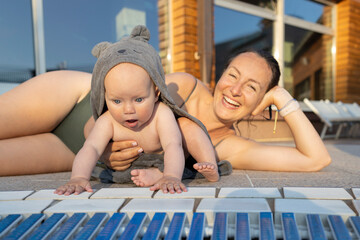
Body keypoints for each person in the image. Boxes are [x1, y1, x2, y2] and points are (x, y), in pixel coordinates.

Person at [0, 48, 331, 177]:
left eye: (253, 87)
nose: (235, 89)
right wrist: (106, 148)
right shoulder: (182, 86)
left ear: (261, 102)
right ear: (220, 76)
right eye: (233, 75)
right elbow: (107, 115)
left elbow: (315, 160)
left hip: (74, 151)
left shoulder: (225, 146)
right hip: (74, 98)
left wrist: (284, 99)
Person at [54, 25, 218, 195]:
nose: (128, 109)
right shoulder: (108, 120)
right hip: (130, 167)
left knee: (189, 127)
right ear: (105, 98)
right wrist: (78, 177)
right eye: (117, 101)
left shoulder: (160, 113)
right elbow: (91, 148)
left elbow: (172, 145)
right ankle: (155, 175)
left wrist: (170, 176)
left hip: (164, 162)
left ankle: (208, 164)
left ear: (156, 93)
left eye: (139, 99)